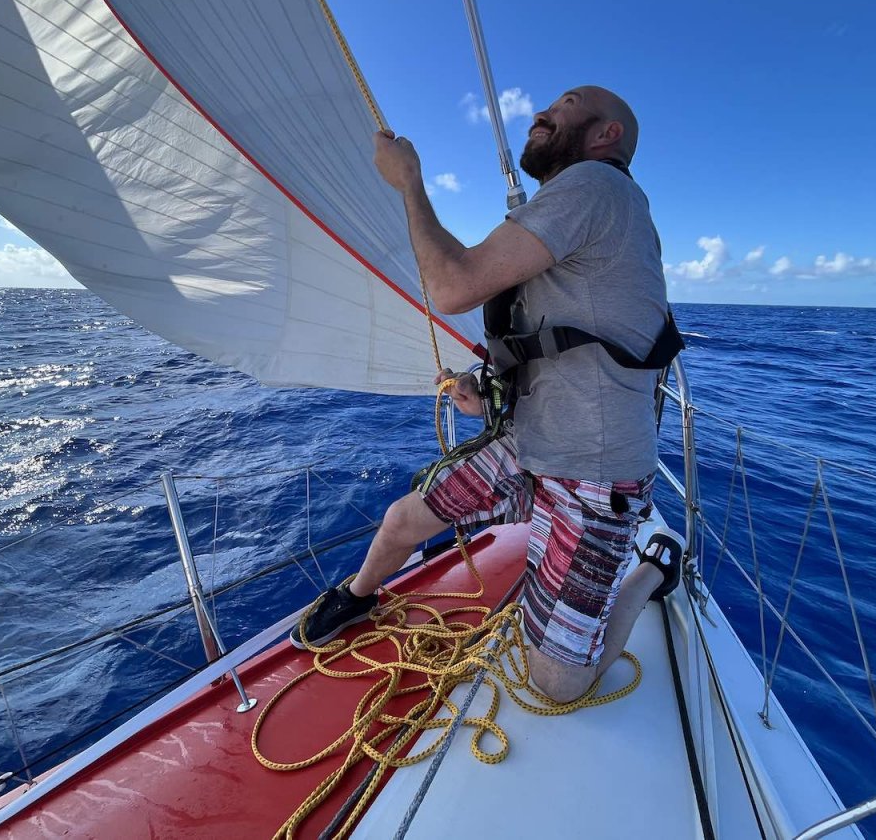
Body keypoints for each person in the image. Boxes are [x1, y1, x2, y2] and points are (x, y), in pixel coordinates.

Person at [290, 86, 682, 704]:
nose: (542, 112)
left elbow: (453, 287)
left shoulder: (595, 185)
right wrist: (492, 394)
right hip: (530, 442)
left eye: (567, 103)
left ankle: (655, 569)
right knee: (403, 520)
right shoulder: (588, 207)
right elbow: (563, 337)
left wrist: (409, 184)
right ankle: (358, 595)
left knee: (557, 686)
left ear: (607, 134)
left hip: (592, 473)